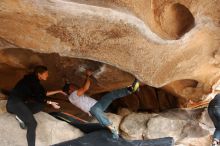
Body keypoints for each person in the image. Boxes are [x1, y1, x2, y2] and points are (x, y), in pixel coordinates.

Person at [62, 70, 140, 139]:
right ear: (70, 90)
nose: (76, 86)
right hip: (93, 109)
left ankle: (130, 89)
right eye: (73, 86)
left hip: (98, 104)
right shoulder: (73, 95)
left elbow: (67, 88)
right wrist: (88, 76)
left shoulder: (71, 95)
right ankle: (114, 133)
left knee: (110, 96)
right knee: (99, 115)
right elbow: (85, 88)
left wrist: (65, 81)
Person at [6, 65, 66, 146]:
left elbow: (43, 94)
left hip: (17, 104)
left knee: (40, 105)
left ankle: (21, 116)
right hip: (14, 104)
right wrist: (51, 103)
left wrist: (59, 91)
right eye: (46, 74)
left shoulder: (34, 81)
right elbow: (39, 98)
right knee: (33, 124)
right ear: (39, 74)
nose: (47, 76)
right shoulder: (32, 81)